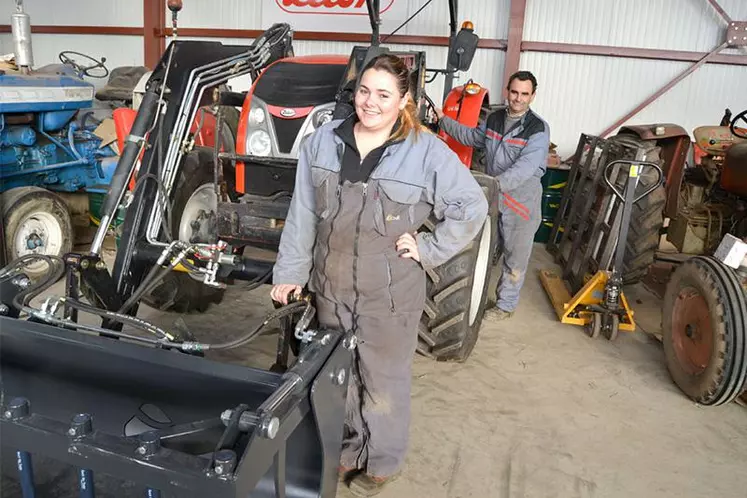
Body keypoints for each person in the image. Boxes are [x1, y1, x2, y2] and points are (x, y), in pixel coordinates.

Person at [270, 53, 488, 497]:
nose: (370, 103)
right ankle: (350, 451)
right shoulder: (322, 143)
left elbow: (473, 207)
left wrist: (429, 247)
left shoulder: (426, 152)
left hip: (389, 293)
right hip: (330, 287)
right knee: (339, 376)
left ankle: (383, 461)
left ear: (404, 100)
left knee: (382, 380)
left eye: (384, 95)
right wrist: (291, 271)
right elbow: (303, 214)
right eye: (364, 91)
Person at [436, 70, 550, 321]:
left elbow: (523, 170)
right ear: (507, 91)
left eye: (524, 94)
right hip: (495, 196)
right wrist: (443, 120)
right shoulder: (496, 118)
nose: (518, 98)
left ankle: (505, 306)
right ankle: (480, 293)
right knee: (489, 249)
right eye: (514, 92)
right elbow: (474, 137)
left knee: (515, 256)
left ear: (532, 96)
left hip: (521, 201)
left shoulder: (537, 129)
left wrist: (489, 187)